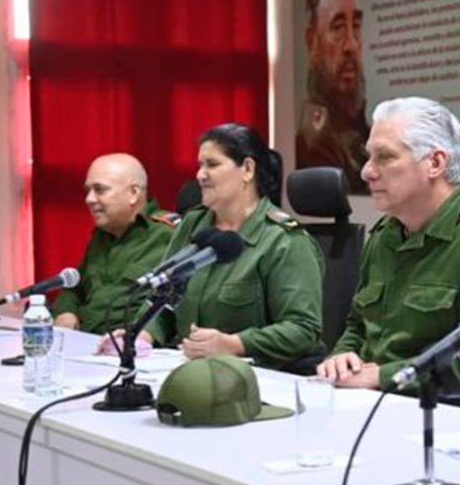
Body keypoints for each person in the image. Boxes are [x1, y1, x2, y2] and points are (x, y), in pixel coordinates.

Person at [316, 97, 460, 419]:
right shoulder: (385, 236)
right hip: (384, 407)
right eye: (369, 158)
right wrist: (343, 356)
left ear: (434, 163)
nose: (366, 172)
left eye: (385, 157)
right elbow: (358, 325)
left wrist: (382, 376)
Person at [100, 124, 324, 368]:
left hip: (253, 379)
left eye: (212, 164)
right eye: (200, 165)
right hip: (184, 370)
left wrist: (235, 343)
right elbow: (163, 297)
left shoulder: (283, 240)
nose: (200, 175)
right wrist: (142, 334)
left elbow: (303, 330)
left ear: (247, 169)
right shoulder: (193, 225)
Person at [54, 153, 177, 334]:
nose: (89, 199)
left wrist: (142, 336)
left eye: (100, 190)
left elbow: (175, 305)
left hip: (131, 348)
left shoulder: (168, 236)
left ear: (133, 193)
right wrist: (66, 312)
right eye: (88, 190)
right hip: (85, 343)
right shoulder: (102, 235)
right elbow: (75, 288)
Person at [297, 0, 369, 195]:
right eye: (338, 27)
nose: (350, 44)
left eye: (356, 26)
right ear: (312, 42)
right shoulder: (314, 145)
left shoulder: (362, 134)